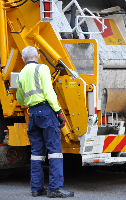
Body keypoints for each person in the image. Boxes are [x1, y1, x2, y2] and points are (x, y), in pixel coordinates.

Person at [16, 46, 74, 198]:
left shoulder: (21, 74)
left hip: (33, 114)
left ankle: (36, 188)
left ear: (23, 59)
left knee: (36, 153)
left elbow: (20, 98)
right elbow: (49, 92)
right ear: (38, 56)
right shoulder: (42, 69)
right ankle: (54, 188)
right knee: (54, 151)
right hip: (46, 112)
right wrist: (59, 112)